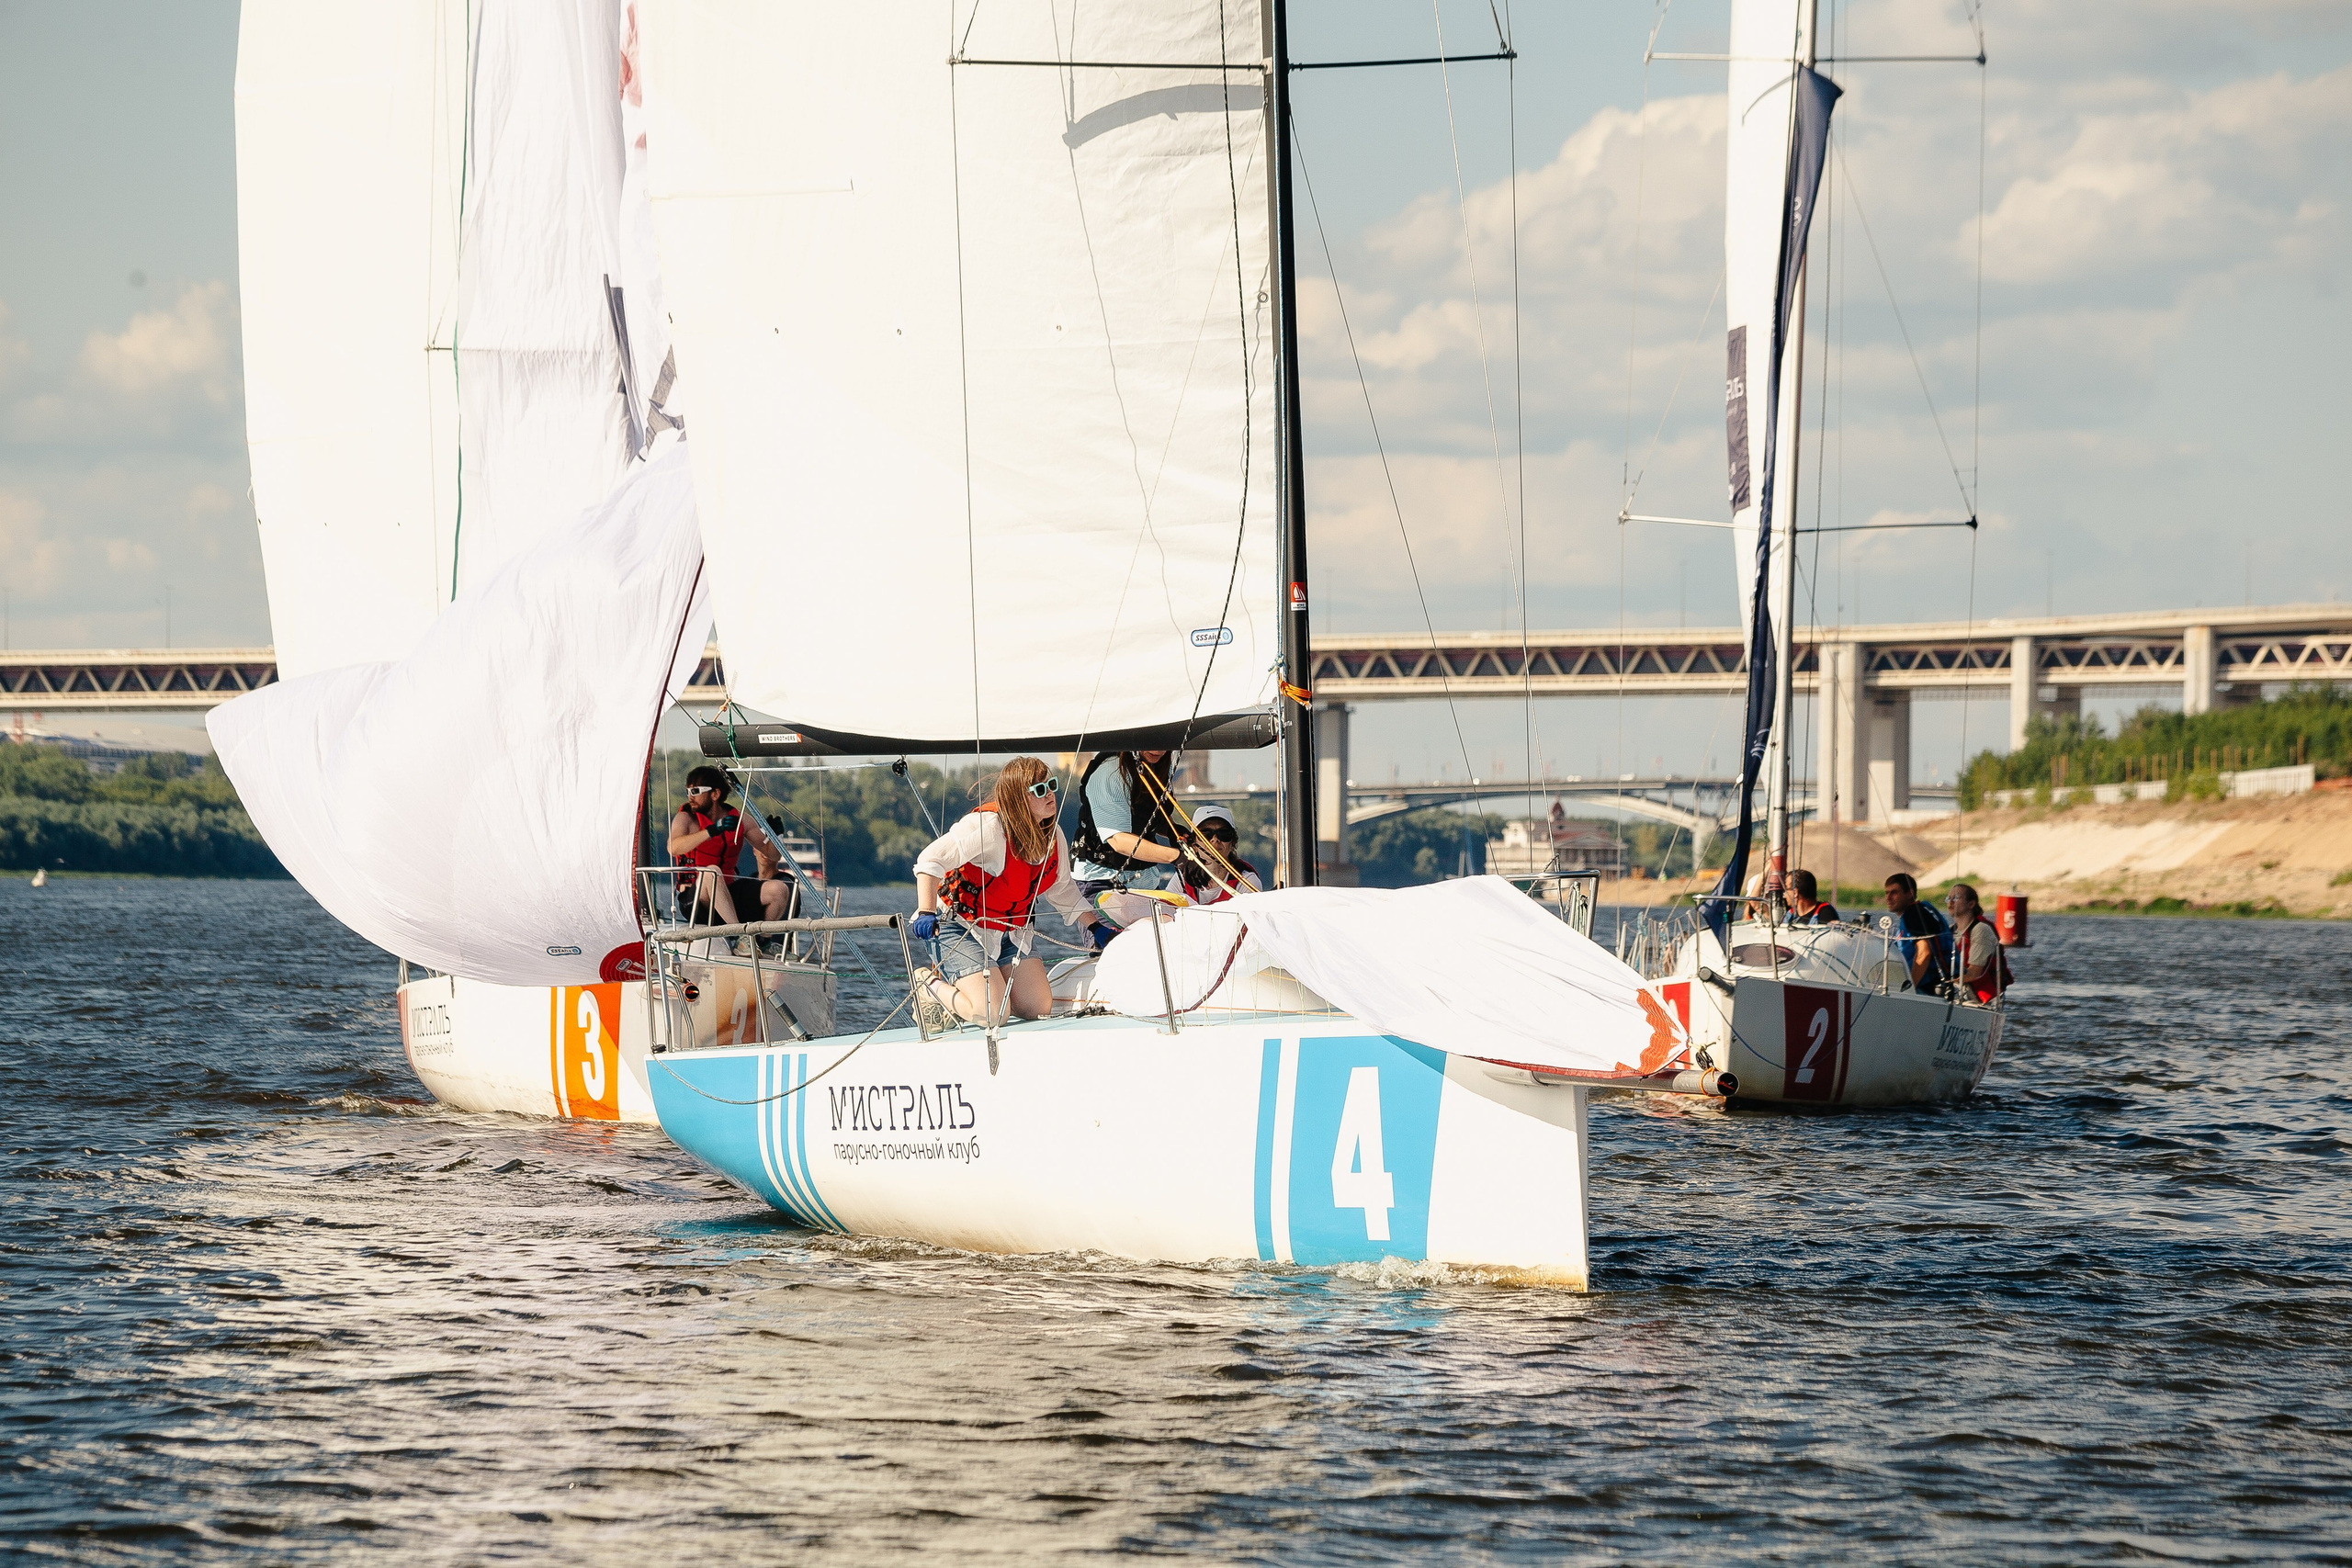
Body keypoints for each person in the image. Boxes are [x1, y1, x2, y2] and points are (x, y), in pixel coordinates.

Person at [909, 757, 1106, 1028]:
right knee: (993, 1014)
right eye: (1040, 790)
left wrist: (1097, 927)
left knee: (1037, 1007)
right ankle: (928, 986)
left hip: (1011, 931)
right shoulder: (988, 828)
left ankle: (971, 997)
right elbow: (929, 860)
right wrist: (926, 911)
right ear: (1018, 798)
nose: (1050, 794)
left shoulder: (1053, 835)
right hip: (959, 926)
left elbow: (1062, 889)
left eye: (1051, 785)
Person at [668, 765, 791, 930]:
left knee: (779, 889)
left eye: (696, 791)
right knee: (712, 872)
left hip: (728, 893)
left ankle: (762, 939)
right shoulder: (686, 818)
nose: (691, 797)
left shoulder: (741, 820)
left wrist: (776, 836)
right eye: (688, 791)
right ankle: (739, 932)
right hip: (695, 900)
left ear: (715, 794)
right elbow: (673, 848)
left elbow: (773, 855)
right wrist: (711, 831)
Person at [1070, 749, 1184, 905]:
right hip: (1101, 881)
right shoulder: (1111, 772)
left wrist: (1173, 831)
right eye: (1150, 742)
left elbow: (1149, 817)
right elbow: (1119, 840)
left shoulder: (1161, 766)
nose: (1158, 749)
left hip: (1146, 881)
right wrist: (1178, 857)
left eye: (1164, 743)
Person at [1172, 804, 1261, 907]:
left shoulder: (1247, 881)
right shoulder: (1183, 877)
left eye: (1223, 833)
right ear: (1194, 844)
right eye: (1205, 834)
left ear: (1233, 843)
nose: (1215, 839)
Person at [1880, 872, 1953, 992]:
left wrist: (1910, 989)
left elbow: (1924, 952)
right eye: (1886, 893)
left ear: (1910, 893)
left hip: (1926, 988)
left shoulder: (1913, 914)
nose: (1888, 897)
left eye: (1894, 892)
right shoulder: (1919, 911)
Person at [1943, 882, 2011, 1004]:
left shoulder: (1981, 929)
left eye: (1956, 898)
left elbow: (1974, 973)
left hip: (1980, 999)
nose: (1950, 902)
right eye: (1948, 898)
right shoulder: (1950, 931)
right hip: (1958, 992)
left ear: (1971, 904)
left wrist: (1942, 983)